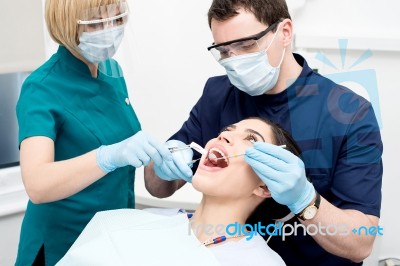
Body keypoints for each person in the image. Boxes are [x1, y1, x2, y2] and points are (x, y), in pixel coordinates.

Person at [144, 0, 383, 265]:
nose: (234, 60)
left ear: (285, 32)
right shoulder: (217, 95)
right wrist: (160, 167)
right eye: (223, 50)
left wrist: (306, 201)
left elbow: (362, 243)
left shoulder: (348, 113)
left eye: (246, 45)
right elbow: (157, 186)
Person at [15, 0, 182, 265]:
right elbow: (37, 184)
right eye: (96, 23)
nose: (110, 30)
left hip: (111, 236)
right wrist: (108, 157)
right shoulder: (41, 88)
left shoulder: (112, 71)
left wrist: (162, 161)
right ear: (66, 23)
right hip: (63, 245)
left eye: (117, 20)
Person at [57, 117, 292, 266]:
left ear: (264, 186)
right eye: (227, 130)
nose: (225, 135)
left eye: (251, 139)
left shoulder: (261, 261)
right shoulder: (125, 224)